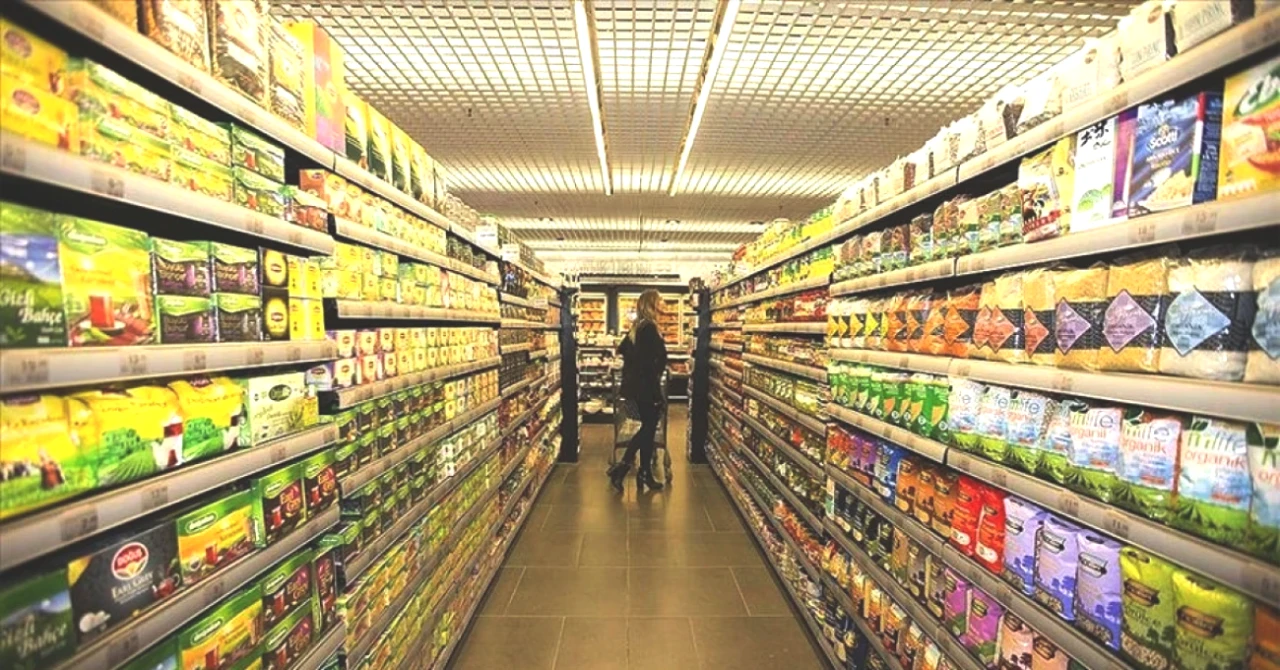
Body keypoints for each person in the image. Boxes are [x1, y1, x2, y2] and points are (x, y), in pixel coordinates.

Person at [608, 289, 669, 492]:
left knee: (648, 430)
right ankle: (623, 467)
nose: (663, 304)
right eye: (660, 300)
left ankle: (644, 472)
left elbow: (624, 350)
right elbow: (648, 366)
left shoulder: (639, 326)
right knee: (648, 428)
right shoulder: (649, 328)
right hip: (645, 389)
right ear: (651, 304)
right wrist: (656, 394)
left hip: (637, 388)